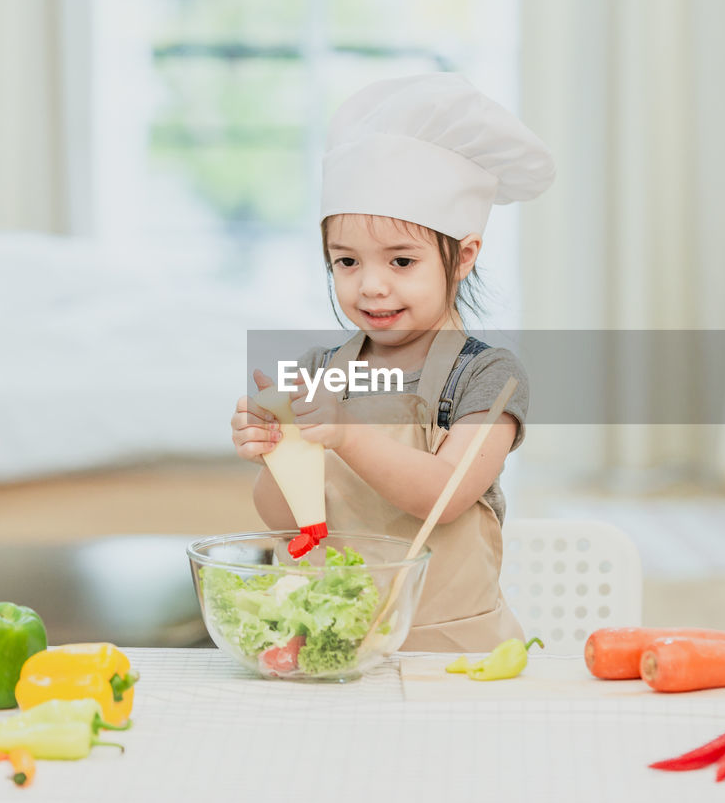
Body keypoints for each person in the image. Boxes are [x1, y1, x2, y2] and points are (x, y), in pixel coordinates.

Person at [230, 73, 555, 651]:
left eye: (401, 262)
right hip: (331, 644)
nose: (371, 286)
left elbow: (446, 495)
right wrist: (277, 454)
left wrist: (345, 433)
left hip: (448, 652)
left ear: (464, 258)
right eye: (347, 262)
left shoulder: (488, 376)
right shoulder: (318, 368)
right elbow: (286, 521)